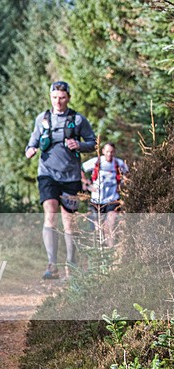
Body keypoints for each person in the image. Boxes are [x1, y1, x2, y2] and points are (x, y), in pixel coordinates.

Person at [25, 81, 96, 279]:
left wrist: (79, 145)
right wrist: (30, 150)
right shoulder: (42, 118)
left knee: (69, 221)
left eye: (62, 98)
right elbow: (32, 142)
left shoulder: (78, 120)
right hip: (47, 173)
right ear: (50, 97)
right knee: (50, 212)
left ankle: (71, 265)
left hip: (71, 177)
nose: (58, 101)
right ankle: (51, 264)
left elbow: (93, 142)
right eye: (55, 97)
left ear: (68, 98)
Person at [81, 142, 128, 247]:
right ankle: (100, 254)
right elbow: (81, 169)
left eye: (111, 152)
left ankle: (111, 253)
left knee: (110, 226)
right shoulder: (96, 162)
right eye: (107, 151)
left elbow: (128, 175)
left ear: (114, 152)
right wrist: (87, 183)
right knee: (98, 230)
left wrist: (123, 185)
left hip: (112, 200)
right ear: (103, 151)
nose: (109, 154)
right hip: (97, 200)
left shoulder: (119, 163)